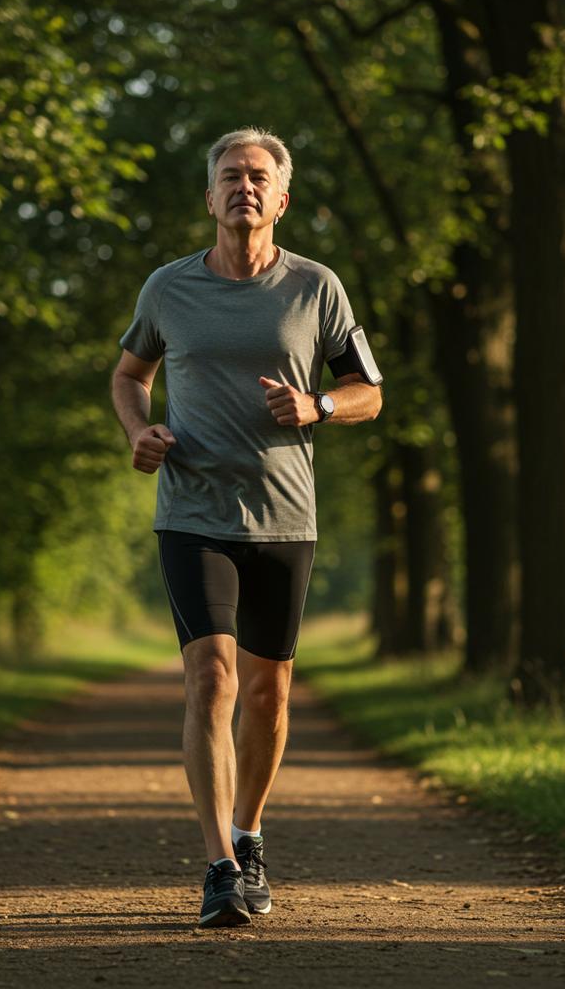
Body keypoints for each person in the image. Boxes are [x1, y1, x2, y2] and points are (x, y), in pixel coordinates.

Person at [110, 127, 383, 928]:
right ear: (210, 197)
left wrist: (319, 406)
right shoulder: (168, 289)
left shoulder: (316, 288)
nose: (245, 187)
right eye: (230, 176)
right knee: (212, 680)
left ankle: (250, 832)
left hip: (285, 517)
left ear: (282, 197)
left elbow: (370, 392)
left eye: (259, 176)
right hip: (192, 515)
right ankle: (220, 868)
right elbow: (131, 375)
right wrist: (139, 431)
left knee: (267, 693)